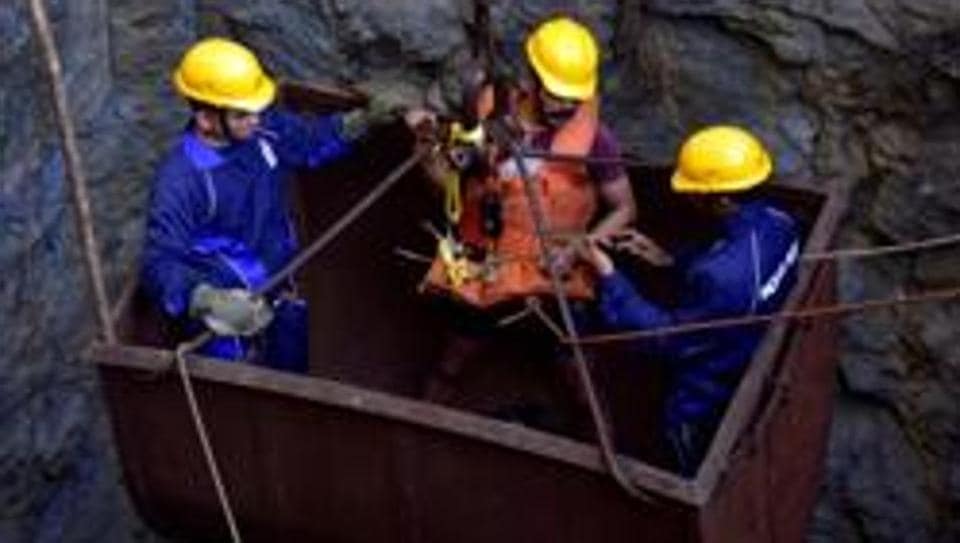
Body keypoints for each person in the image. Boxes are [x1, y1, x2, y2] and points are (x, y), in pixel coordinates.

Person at [141, 37, 403, 373]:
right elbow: (159, 261)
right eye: (241, 114)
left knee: (293, 368)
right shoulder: (182, 180)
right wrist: (205, 301)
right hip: (227, 323)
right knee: (243, 398)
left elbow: (307, 141)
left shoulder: (259, 130)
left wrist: (360, 123)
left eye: (254, 109)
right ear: (206, 119)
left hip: (281, 287)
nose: (254, 119)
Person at [580, 125, 801, 476]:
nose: (688, 198)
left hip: (708, 393)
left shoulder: (722, 279)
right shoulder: (780, 222)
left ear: (722, 199)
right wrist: (670, 259)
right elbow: (736, 262)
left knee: (685, 446)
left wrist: (609, 276)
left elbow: (663, 339)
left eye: (694, 192)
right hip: (751, 342)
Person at [417, 15, 637, 309]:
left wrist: (577, 248)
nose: (567, 107)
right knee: (463, 335)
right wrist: (429, 148)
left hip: (554, 273)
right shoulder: (488, 110)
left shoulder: (596, 140)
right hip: (482, 261)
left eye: (575, 98)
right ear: (530, 79)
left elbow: (625, 208)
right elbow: (448, 184)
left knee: (562, 340)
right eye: (556, 95)